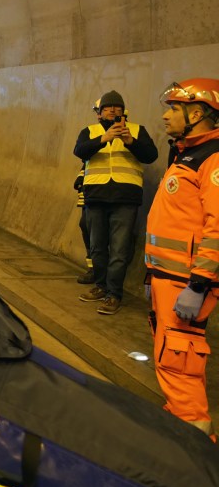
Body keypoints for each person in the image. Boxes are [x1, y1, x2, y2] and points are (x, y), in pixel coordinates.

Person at [144, 78, 219, 436]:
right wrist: (152, 277)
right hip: (168, 280)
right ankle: (179, 425)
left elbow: (217, 228)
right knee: (169, 360)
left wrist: (199, 284)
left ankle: (196, 444)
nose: (165, 115)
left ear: (198, 112)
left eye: (173, 108)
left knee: (181, 362)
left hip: (187, 283)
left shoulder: (213, 158)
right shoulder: (187, 154)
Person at [74, 89, 158, 314]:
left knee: (120, 249)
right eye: (108, 108)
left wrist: (130, 142)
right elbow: (79, 151)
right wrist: (104, 138)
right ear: (99, 113)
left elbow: (151, 155)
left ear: (124, 112)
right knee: (97, 247)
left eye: (117, 108)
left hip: (125, 198)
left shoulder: (136, 131)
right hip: (96, 196)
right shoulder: (89, 132)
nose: (112, 110)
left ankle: (114, 294)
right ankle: (100, 286)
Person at [74, 98, 104, 284]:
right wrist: (80, 176)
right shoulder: (92, 132)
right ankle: (92, 266)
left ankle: (99, 271)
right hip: (91, 188)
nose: (99, 115)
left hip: (109, 191)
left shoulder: (125, 133)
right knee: (85, 225)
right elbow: (86, 158)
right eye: (98, 111)